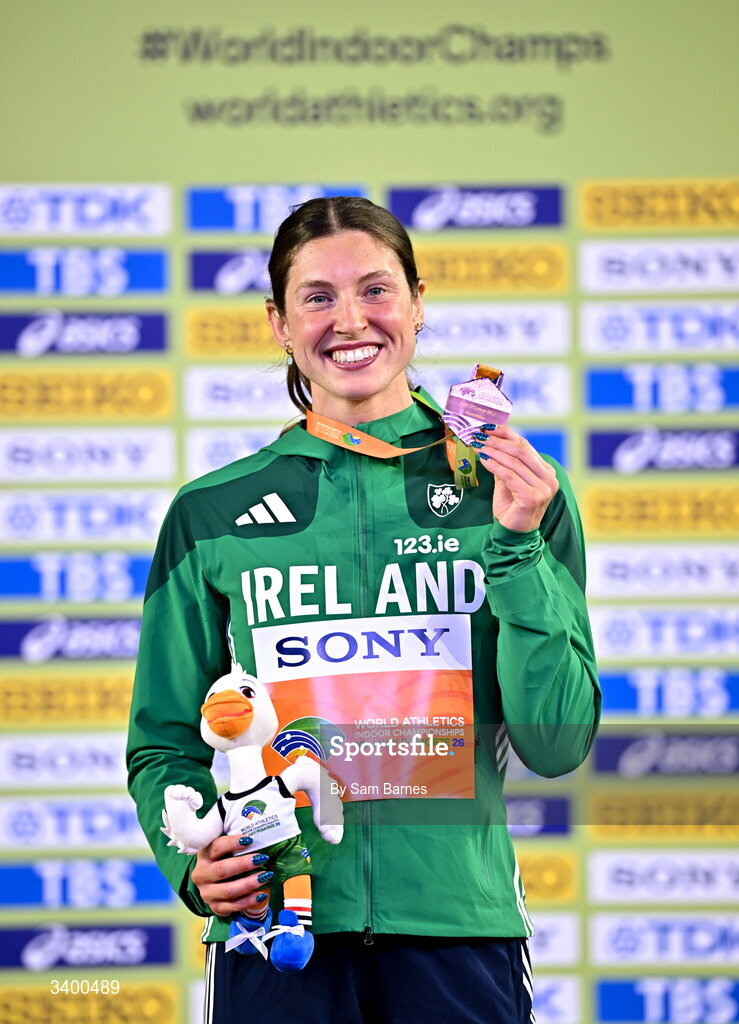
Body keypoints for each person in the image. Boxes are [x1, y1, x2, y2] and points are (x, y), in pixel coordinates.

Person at [127, 196, 600, 1024]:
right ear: (278, 322)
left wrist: (517, 545)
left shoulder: (517, 492)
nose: (350, 320)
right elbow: (163, 743)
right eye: (317, 297)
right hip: (274, 933)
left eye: (376, 291)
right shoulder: (211, 512)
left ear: (419, 303)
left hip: (459, 932)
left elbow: (556, 742)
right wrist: (191, 863)